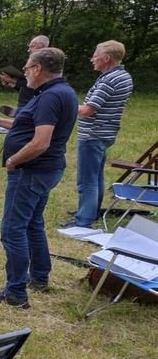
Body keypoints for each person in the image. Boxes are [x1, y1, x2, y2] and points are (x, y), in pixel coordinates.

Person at [0, 47, 78, 308]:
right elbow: (35, 125)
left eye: (26, 68)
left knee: (12, 230)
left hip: (32, 170)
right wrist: (3, 123)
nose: (24, 73)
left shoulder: (50, 96)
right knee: (33, 224)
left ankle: (15, 292)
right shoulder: (61, 92)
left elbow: (41, 141)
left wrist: (13, 160)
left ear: (37, 69)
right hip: (47, 169)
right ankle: (39, 277)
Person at [63, 40, 133, 228]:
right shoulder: (122, 76)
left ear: (107, 58)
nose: (92, 58)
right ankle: (90, 212)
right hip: (106, 132)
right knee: (96, 176)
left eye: (95, 55)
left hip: (94, 134)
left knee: (87, 180)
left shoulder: (109, 80)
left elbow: (88, 110)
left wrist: (66, 104)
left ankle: (83, 220)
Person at [0, 35, 48, 111]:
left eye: (32, 46)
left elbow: (35, 85)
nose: (29, 50)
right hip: (24, 104)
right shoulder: (32, 61)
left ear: (43, 47)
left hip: (31, 105)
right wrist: (11, 83)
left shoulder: (45, 64)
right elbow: (26, 87)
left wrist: (12, 80)